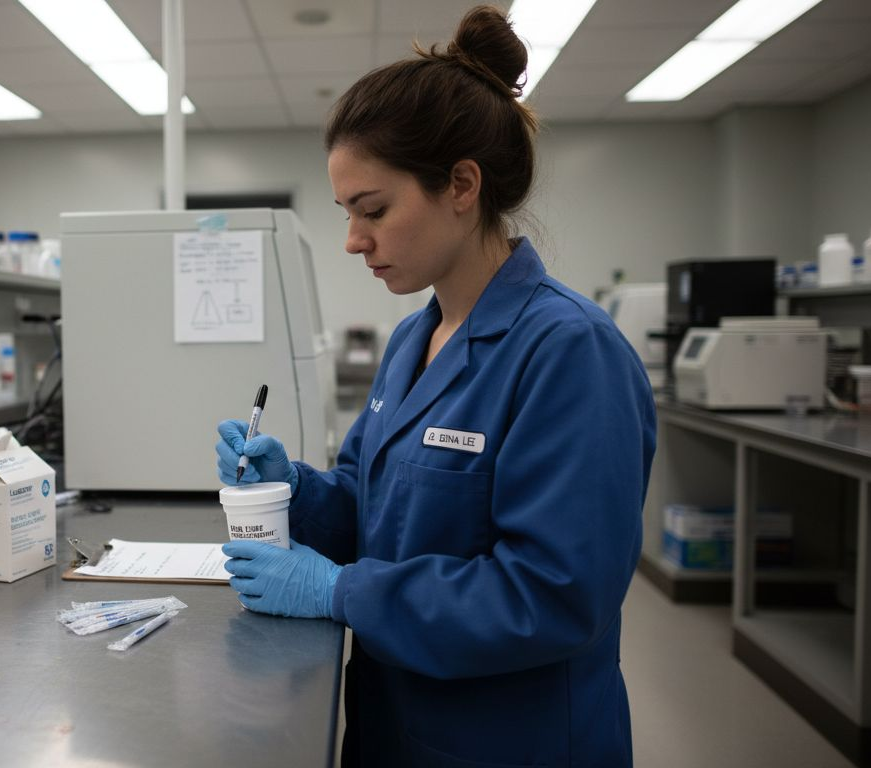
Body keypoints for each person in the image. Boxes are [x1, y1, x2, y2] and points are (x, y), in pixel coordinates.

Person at [214, 5, 656, 767]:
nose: (354, 240)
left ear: (461, 184)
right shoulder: (415, 339)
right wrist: (293, 488)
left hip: (513, 743)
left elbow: (550, 594)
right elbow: (373, 503)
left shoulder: (569, 352)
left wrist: (338, 593)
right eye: (346, 213)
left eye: (374, 210)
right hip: (397, 726)